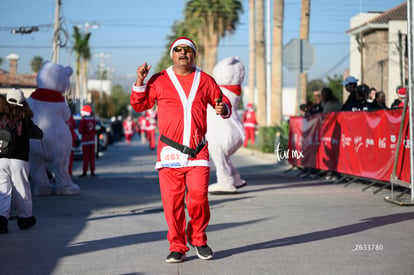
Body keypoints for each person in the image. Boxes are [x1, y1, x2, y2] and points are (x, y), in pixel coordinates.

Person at [130, 36, 231, 263]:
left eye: (188, 50)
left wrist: (222, 107)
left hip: (197, 151)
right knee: (172, 204)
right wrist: (140, 80)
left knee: (198, 198)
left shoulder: (205, 80)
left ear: (194, 55)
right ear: (172, 54)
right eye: (178, 49)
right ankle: (176, 245)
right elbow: (139, 105)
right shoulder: (159, 80)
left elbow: (223, 105)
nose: (183, 53)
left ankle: (198, 238)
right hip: (169, 152)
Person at [0, 89, 43, 234]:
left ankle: (1, 221)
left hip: (1, 159)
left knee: (3, 191)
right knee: (21, 188)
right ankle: (24, 219)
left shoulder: (1, 116)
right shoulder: (24, 118)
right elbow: (39, 134)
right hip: (19, 159)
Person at [206, 56, 247, 194]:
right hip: (236, 130)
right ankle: (236, 178)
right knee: (223, 155)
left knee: (217, 149)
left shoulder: (219, 91)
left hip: (226, 133)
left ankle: (225, 182)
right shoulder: (234, 90)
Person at [78, 105, 97, 177]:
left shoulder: (83, 121)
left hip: (85, 141)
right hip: (92, 140)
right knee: (92, 156)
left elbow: (80, 131)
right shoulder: (93, 120)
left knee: (85, 157)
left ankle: (85, 171)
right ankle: (92, 171)